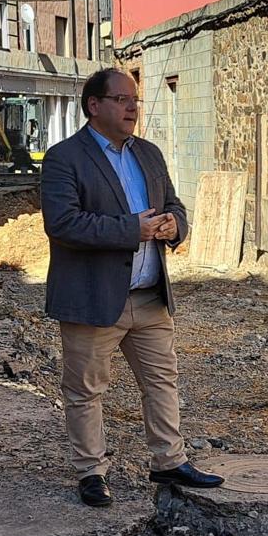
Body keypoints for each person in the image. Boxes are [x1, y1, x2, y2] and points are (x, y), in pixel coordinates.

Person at [41, 68, 224, 507]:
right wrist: (133, 230)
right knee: (86, 389)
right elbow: (62, 224)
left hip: (148, 294)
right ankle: (91, 471)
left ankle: (168, 461)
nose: (132, 108)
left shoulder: (149, 153)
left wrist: (172, 225)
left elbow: (175, 205)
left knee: (163, 381)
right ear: (94, 106)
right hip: (92, 297)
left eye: (135, 100)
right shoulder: (64, 158)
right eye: (122, 99)